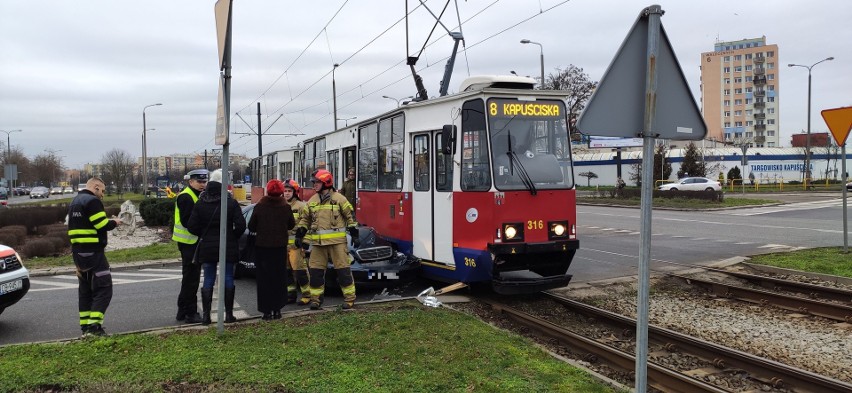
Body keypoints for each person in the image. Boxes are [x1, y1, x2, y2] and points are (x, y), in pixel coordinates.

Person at [187, 169, 246, 325]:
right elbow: (241, 224)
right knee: (227, 277)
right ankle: (229, 315)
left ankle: (206, 316)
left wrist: (204, 235)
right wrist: (232, 236)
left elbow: (191, 226)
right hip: (227, 245)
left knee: (208, 279)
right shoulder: (230, 202)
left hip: (207, 246)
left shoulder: (200, 203)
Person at [294, 169, 359, 310]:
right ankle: (316, 300)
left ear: (326, 183)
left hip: (337, 244)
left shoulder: (339, 199)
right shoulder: (312, 201)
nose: (314, 185)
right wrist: (300, 234)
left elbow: (351, 217)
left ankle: (349, 299)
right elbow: (305, 219)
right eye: (314, 182)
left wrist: (355, 234)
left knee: (343, 272)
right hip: (318, 245)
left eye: (317, 182)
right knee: (316, 272)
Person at [67, 177, 122, 337]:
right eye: (102, 191)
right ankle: (94, 328)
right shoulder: (92, 201)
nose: (103, 195)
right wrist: (115, 222)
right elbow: (101, 224)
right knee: (104, 289)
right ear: (96, 187)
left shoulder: (75, 201)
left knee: (85, 291)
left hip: (78, 254)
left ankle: (85, 327)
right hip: (93, 254)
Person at [248, 179, 295, 320]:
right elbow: (291, 225)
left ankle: (266, 311)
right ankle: (277, 309)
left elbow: (251, 226)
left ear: (268, 190)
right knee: (279, 278)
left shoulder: (260, 206)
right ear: (281, 191)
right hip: (279, 248)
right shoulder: (285, 207)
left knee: (264, 279)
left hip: (262, 248)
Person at [171, 169, 208, 324]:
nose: (202, 184)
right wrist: (205, 231)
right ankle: (190, 313)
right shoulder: (186, 197)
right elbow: (188, 223)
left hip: (190, 242)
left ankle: (182, 310)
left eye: (204, 181)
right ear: (191, 181)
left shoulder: (195, 195)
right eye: (199, 182)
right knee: (191, 280)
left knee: (189, 278)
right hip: (189, 243)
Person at [283, 178, 311, 305]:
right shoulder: (281, 205)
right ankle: (291, 295)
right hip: (283, 246)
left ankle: (307, 294)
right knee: (287, 272)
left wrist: (305, 242)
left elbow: (308, 226)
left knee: (300, 272)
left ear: (295, 192)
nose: (287, 193)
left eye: (289, 191)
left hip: (296, 246)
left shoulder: (301, 206)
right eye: (285, 191)